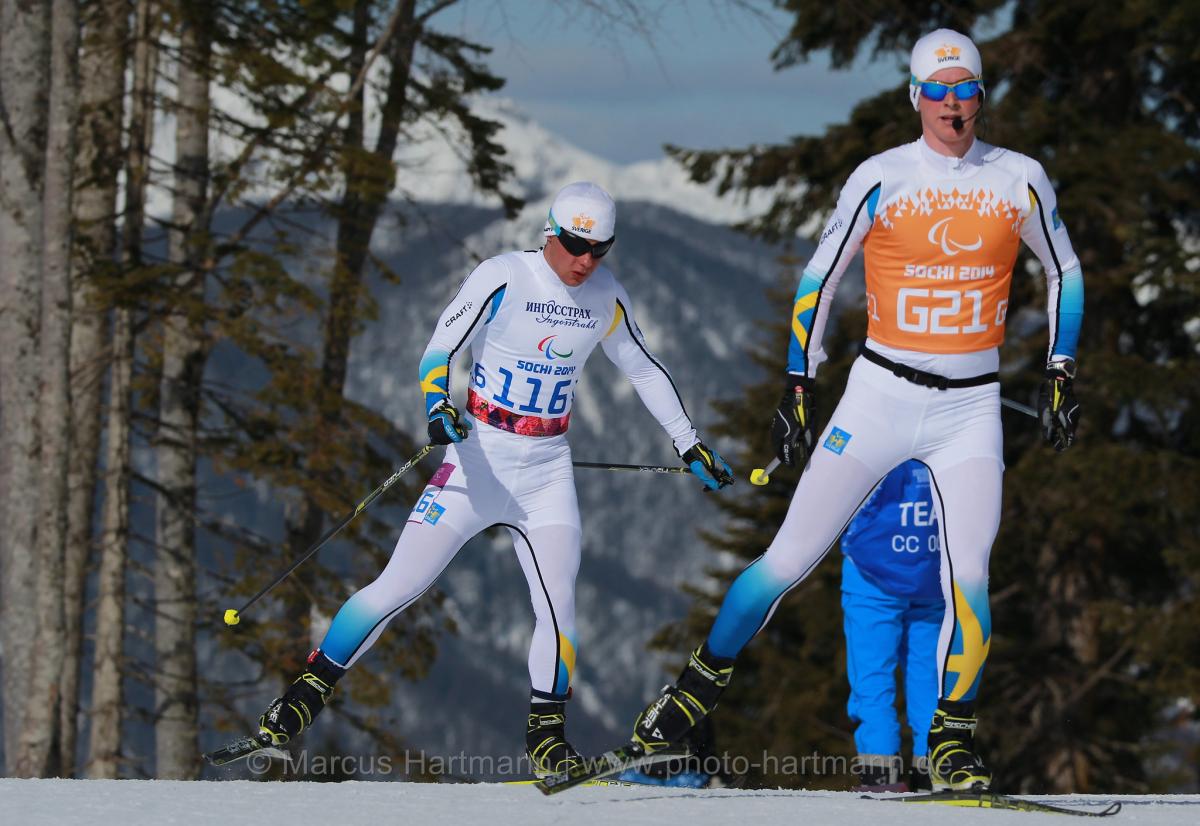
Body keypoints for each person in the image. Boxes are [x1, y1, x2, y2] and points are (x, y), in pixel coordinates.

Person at [627, 29, 1083, 793]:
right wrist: (798, 384)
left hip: (971, 409)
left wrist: (1062, 366)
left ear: (980, 96)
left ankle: (952, 741)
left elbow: (1063, 266)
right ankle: (686, 702)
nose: (951, 105)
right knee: (789, 558)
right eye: (936, 91)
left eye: (964, 89)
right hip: (879, 393)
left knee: (966, 571)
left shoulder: (1020, 179)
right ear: (914, 97)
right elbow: (820, 277)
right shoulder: (881, 176)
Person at [256, 182, 734, 777]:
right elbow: (440, 350)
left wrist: (690, 443)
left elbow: (642, 368)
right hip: (477, 460)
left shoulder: (606, 296)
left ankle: (548, 740)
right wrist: (437, 406)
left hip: (546, 470)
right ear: (551, 234)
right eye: (575, 244)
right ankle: (299, 701)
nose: (585, 260)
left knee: (558, 609)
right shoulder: (504, 275)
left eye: (599, 250)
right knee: (398, 586)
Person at [840, 460, 943, 792]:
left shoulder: (875, 421)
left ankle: (880, 773)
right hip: (932, 570)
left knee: (872, 681)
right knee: (931, 680)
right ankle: (933, 771)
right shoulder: (952, 430)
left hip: (872, 573)